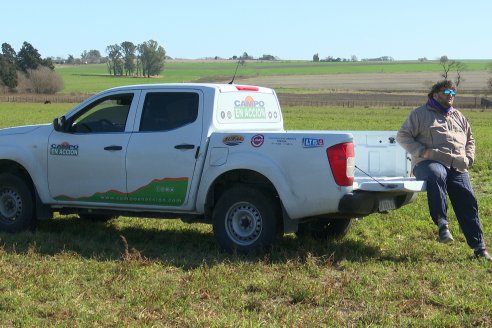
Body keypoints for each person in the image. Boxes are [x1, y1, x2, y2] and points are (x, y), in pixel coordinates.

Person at [396, 80, 491, 261]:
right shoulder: (420, 115)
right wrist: (421, 151)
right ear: (435, 94)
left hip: (457, 164)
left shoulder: (459, 117)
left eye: (453, 93)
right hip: (428, 162)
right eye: (447, 91)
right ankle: (442, 225)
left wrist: (469, 158)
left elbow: (470, 140)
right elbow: (402, 136)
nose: (451, 95)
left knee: (468, 200)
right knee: (437, 174)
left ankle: (479, 248)